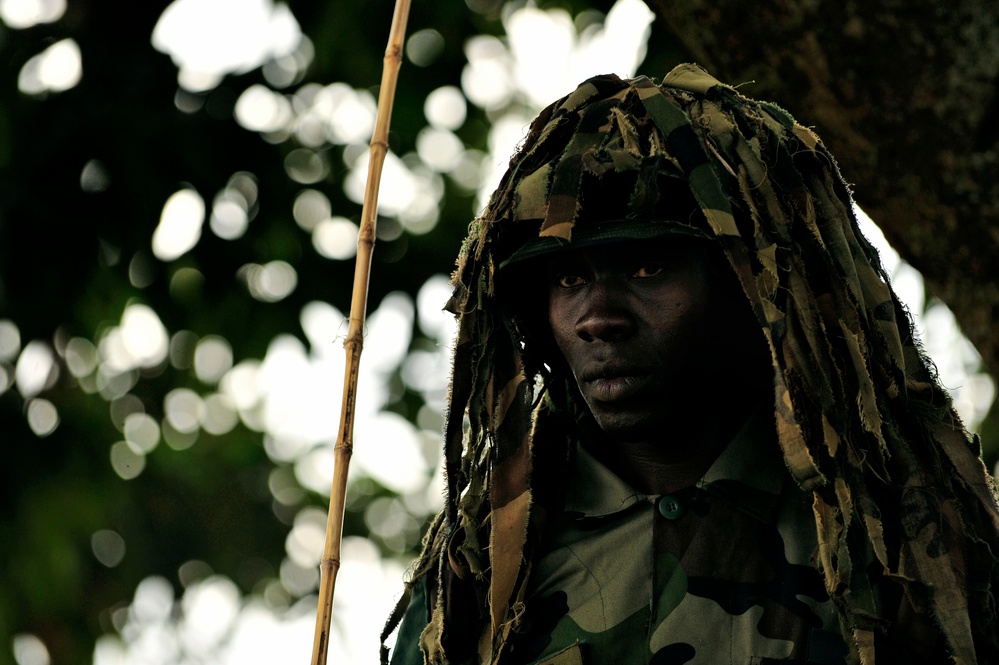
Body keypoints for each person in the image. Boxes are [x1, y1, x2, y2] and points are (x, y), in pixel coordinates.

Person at [381, 64, 999, 665]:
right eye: (569, 278)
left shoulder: (898, 547)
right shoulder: (481, 582)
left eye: (648, 268)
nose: (598, 316)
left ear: (748, 289)